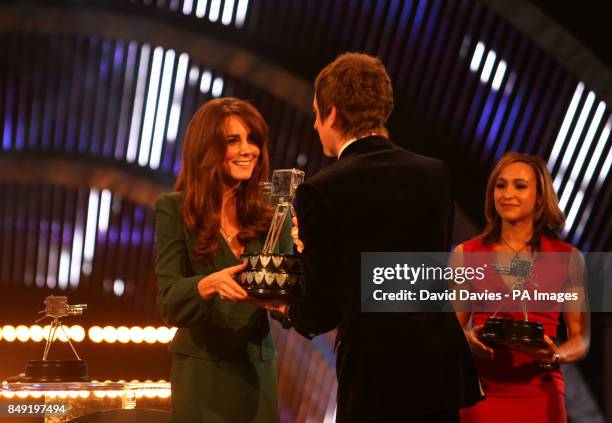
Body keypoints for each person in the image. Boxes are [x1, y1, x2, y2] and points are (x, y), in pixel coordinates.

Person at [280, 53, 483, 422]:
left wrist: (287, 311)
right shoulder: (435, 174)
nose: (313, 125)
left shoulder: (321, 190)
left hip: (375, 373)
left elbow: (322, 308)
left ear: (334, 114)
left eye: (316, 113)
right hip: (436, 368)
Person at [154, 97, 291, 422]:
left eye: (253, 139)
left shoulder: (275, 219)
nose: (249, 149)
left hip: (254, 373)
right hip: (200, 374)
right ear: (207, 149)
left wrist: (281, 301)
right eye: (234, 140)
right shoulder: (174, 209)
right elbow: (170, 303)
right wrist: (208, 284)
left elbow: (294, 307)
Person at [455, 152, 590, 423]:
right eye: (500, 185)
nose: (507, 193)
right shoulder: (465, 253)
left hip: (541, 391)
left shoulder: (569, 257)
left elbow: (581, 338)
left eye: (520, 185)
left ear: (540, 197)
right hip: (482, 390)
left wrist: (553, 354)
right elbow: (454, 328)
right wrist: (468, 341)